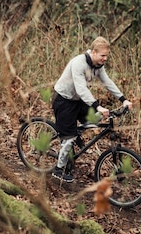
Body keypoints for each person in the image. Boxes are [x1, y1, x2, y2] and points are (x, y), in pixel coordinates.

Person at [52, 36, 133, 182]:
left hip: (78, 101)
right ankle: (59, 169)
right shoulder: (79, 63)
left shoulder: (98, 66)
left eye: (107, 56)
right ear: (93, 52)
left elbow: (107, 82)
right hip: (64, 100)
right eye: (103, 55)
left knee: (96, 117)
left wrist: (123, 99)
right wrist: (98, 106)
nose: (105, 58)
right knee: (69, 137)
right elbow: (81, 89)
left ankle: (75, 135)